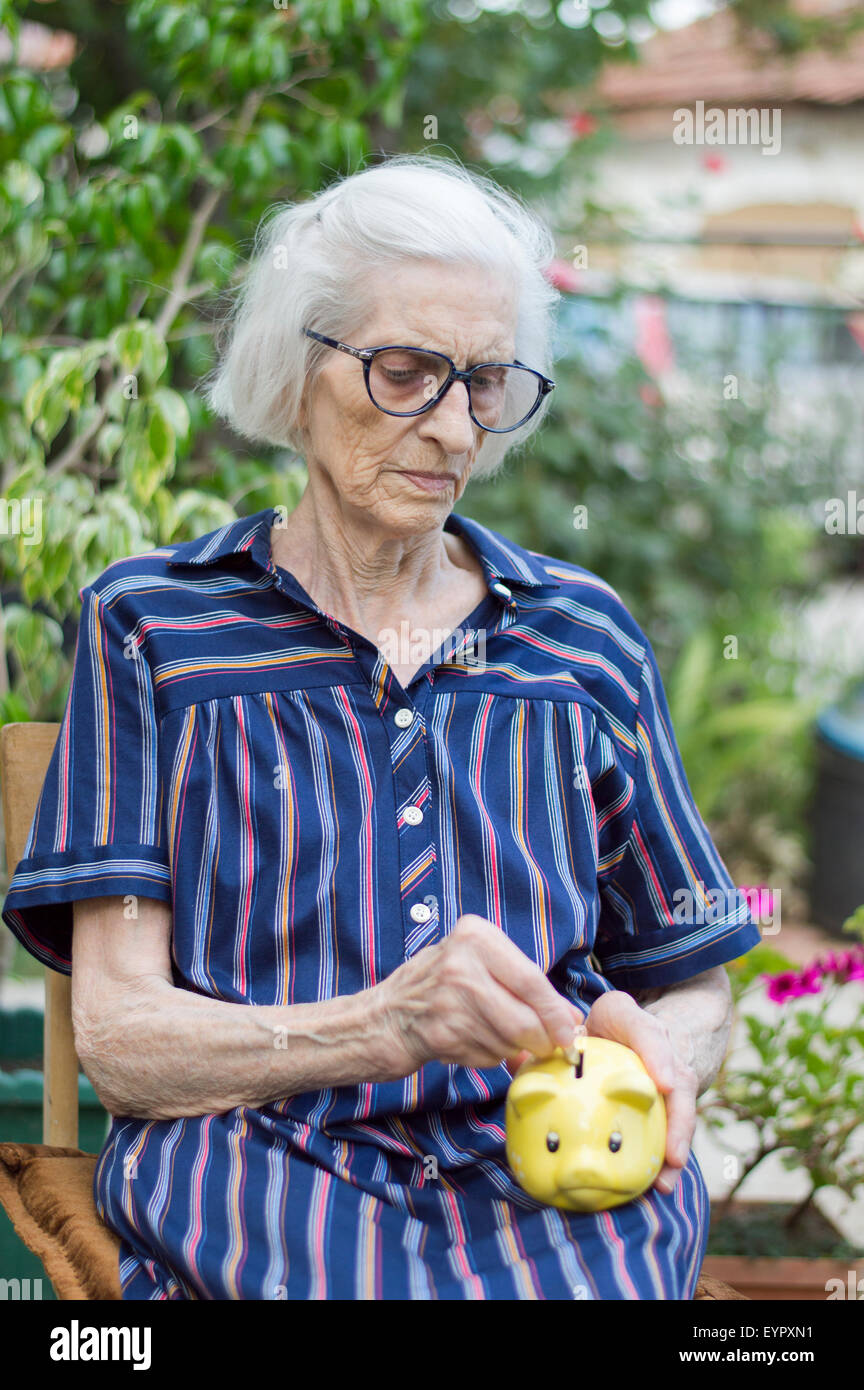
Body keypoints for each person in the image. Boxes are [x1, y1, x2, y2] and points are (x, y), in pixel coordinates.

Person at [2, 153, 760, 1300]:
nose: (456, 430)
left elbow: (692, 972)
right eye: (408, 372)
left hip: (541, 1196)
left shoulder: (579, 637)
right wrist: (389, 1024)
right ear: (297, 370)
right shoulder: (156, 627)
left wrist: (664, 1059)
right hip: (259, 1178)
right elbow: (121, 1041)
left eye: (487, 382)